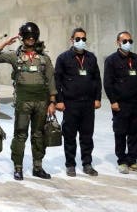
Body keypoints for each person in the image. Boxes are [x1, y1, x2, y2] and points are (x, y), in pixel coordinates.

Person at [0, 22, 56, 181]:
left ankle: (38, 166)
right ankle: (18, 167)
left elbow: (51, 79)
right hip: (23, 102)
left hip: (41, 102)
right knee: (20, 134)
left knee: (38, 134)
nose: (30, 39)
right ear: (22, 38)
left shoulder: (44, 58)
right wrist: (6, 42)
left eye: (33, 36)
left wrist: (52, 101)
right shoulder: (15, 56)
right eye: (27, 36)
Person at [54, 27, 102, 177]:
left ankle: (87, 163)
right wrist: (59, 101)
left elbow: (97, 79)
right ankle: (70, 165)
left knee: (87, 135)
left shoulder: (91, 58)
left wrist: (97, 98)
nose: (81, 42)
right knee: (70, 135)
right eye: (78, 39)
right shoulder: (63, 58)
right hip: (70, 103)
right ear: (72, 40)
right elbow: (57, 81)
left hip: (88, 104)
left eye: (83, 39)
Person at [103, 31, 137, 174]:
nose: (128, 43)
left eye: (130, 41)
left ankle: (132, 160)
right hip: (121, 104)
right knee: (121, 132)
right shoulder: (111, 60)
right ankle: (122, 161)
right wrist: (113, 101)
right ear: (118, 42)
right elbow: (108, 82)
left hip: (136, 103)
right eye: (125, 41)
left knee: (136, 132)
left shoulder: (136, 59)